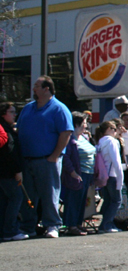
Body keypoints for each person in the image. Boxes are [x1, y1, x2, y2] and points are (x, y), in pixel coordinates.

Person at [17, 75, 74, 239]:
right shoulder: (28, 108)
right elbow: (19, 130)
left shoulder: (58, 108)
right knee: (28, 196)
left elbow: (66, 133)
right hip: (27, 159)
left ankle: (52, 225)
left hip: (47, 160)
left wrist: (55, 156)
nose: (33, 88)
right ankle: (28, 226)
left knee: (49, 194)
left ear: (46, 89)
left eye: (36, 85)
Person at [60, 112, 93, 236]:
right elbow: (66, 157)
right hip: (77, 174)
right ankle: (71, 225)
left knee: (82, 200)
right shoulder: (70, 139)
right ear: (77, 124)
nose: (86, 125)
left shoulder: (84, 137)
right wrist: (72, 172)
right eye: (84, 123)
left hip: (87, 173)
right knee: (73, 200)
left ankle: (79, 224)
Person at [0, 102, 27, 241]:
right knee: (16, 198)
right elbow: (10, 152)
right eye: (11, 112)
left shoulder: (6, 128)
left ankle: (5, 231)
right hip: (8, 172)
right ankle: (10, 230)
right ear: (3, 113)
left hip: (3, 172)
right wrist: (17, 170)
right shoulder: (4, 130)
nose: (15, 114)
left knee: (5, 201)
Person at [95, 121, 125, 233]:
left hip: (103, 176)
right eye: (113, 129)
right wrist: (120, 180)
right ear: (108, 129)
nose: (115, 131)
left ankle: (104, 225)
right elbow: (116, 161)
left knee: (108, 201)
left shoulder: (100, 142)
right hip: (112, 175)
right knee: (116, 200)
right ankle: (106, 224)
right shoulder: (112, 141)